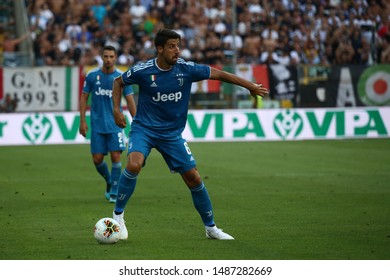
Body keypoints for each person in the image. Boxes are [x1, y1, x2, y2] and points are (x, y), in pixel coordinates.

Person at [111, 29, 269, 240]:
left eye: (178, 45)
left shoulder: (186, 69)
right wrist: (116, 110)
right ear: (159, 49)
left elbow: (220, 74)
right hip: (144, 129)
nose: (177, 51)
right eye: (171, 46)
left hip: (172, 134)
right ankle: (118, 216)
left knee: (193, 177)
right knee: (134, 164)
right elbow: (118, 82)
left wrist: (250, 86)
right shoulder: (143, 70)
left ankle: (211, 228)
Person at [79, 45, 136, 203]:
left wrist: (137, 121)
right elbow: (84, 98)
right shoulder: (92, 76)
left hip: (115, 124)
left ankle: (114, 191)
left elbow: (130, 100)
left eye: (111, 56)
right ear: (102, 57)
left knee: (116, 156)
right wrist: (82, 121)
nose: (108, 59)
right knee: (97, 159)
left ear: (115, 57)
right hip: (97, 124)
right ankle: (110, 181)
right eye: (106, 56)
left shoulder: (122, 77)